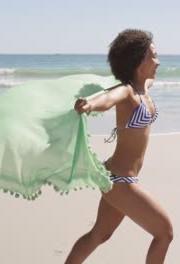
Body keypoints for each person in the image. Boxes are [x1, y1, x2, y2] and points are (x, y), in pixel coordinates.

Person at [66, 29, 173, 264]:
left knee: (99, 235)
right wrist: (89, 105)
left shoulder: (144, 88)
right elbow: (107, 100)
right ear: (137, 61)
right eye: (152, 56)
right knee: (164, 233)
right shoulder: (127, 92)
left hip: (114, 176)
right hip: (120, 181)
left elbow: (148, 79)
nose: (158, 61)